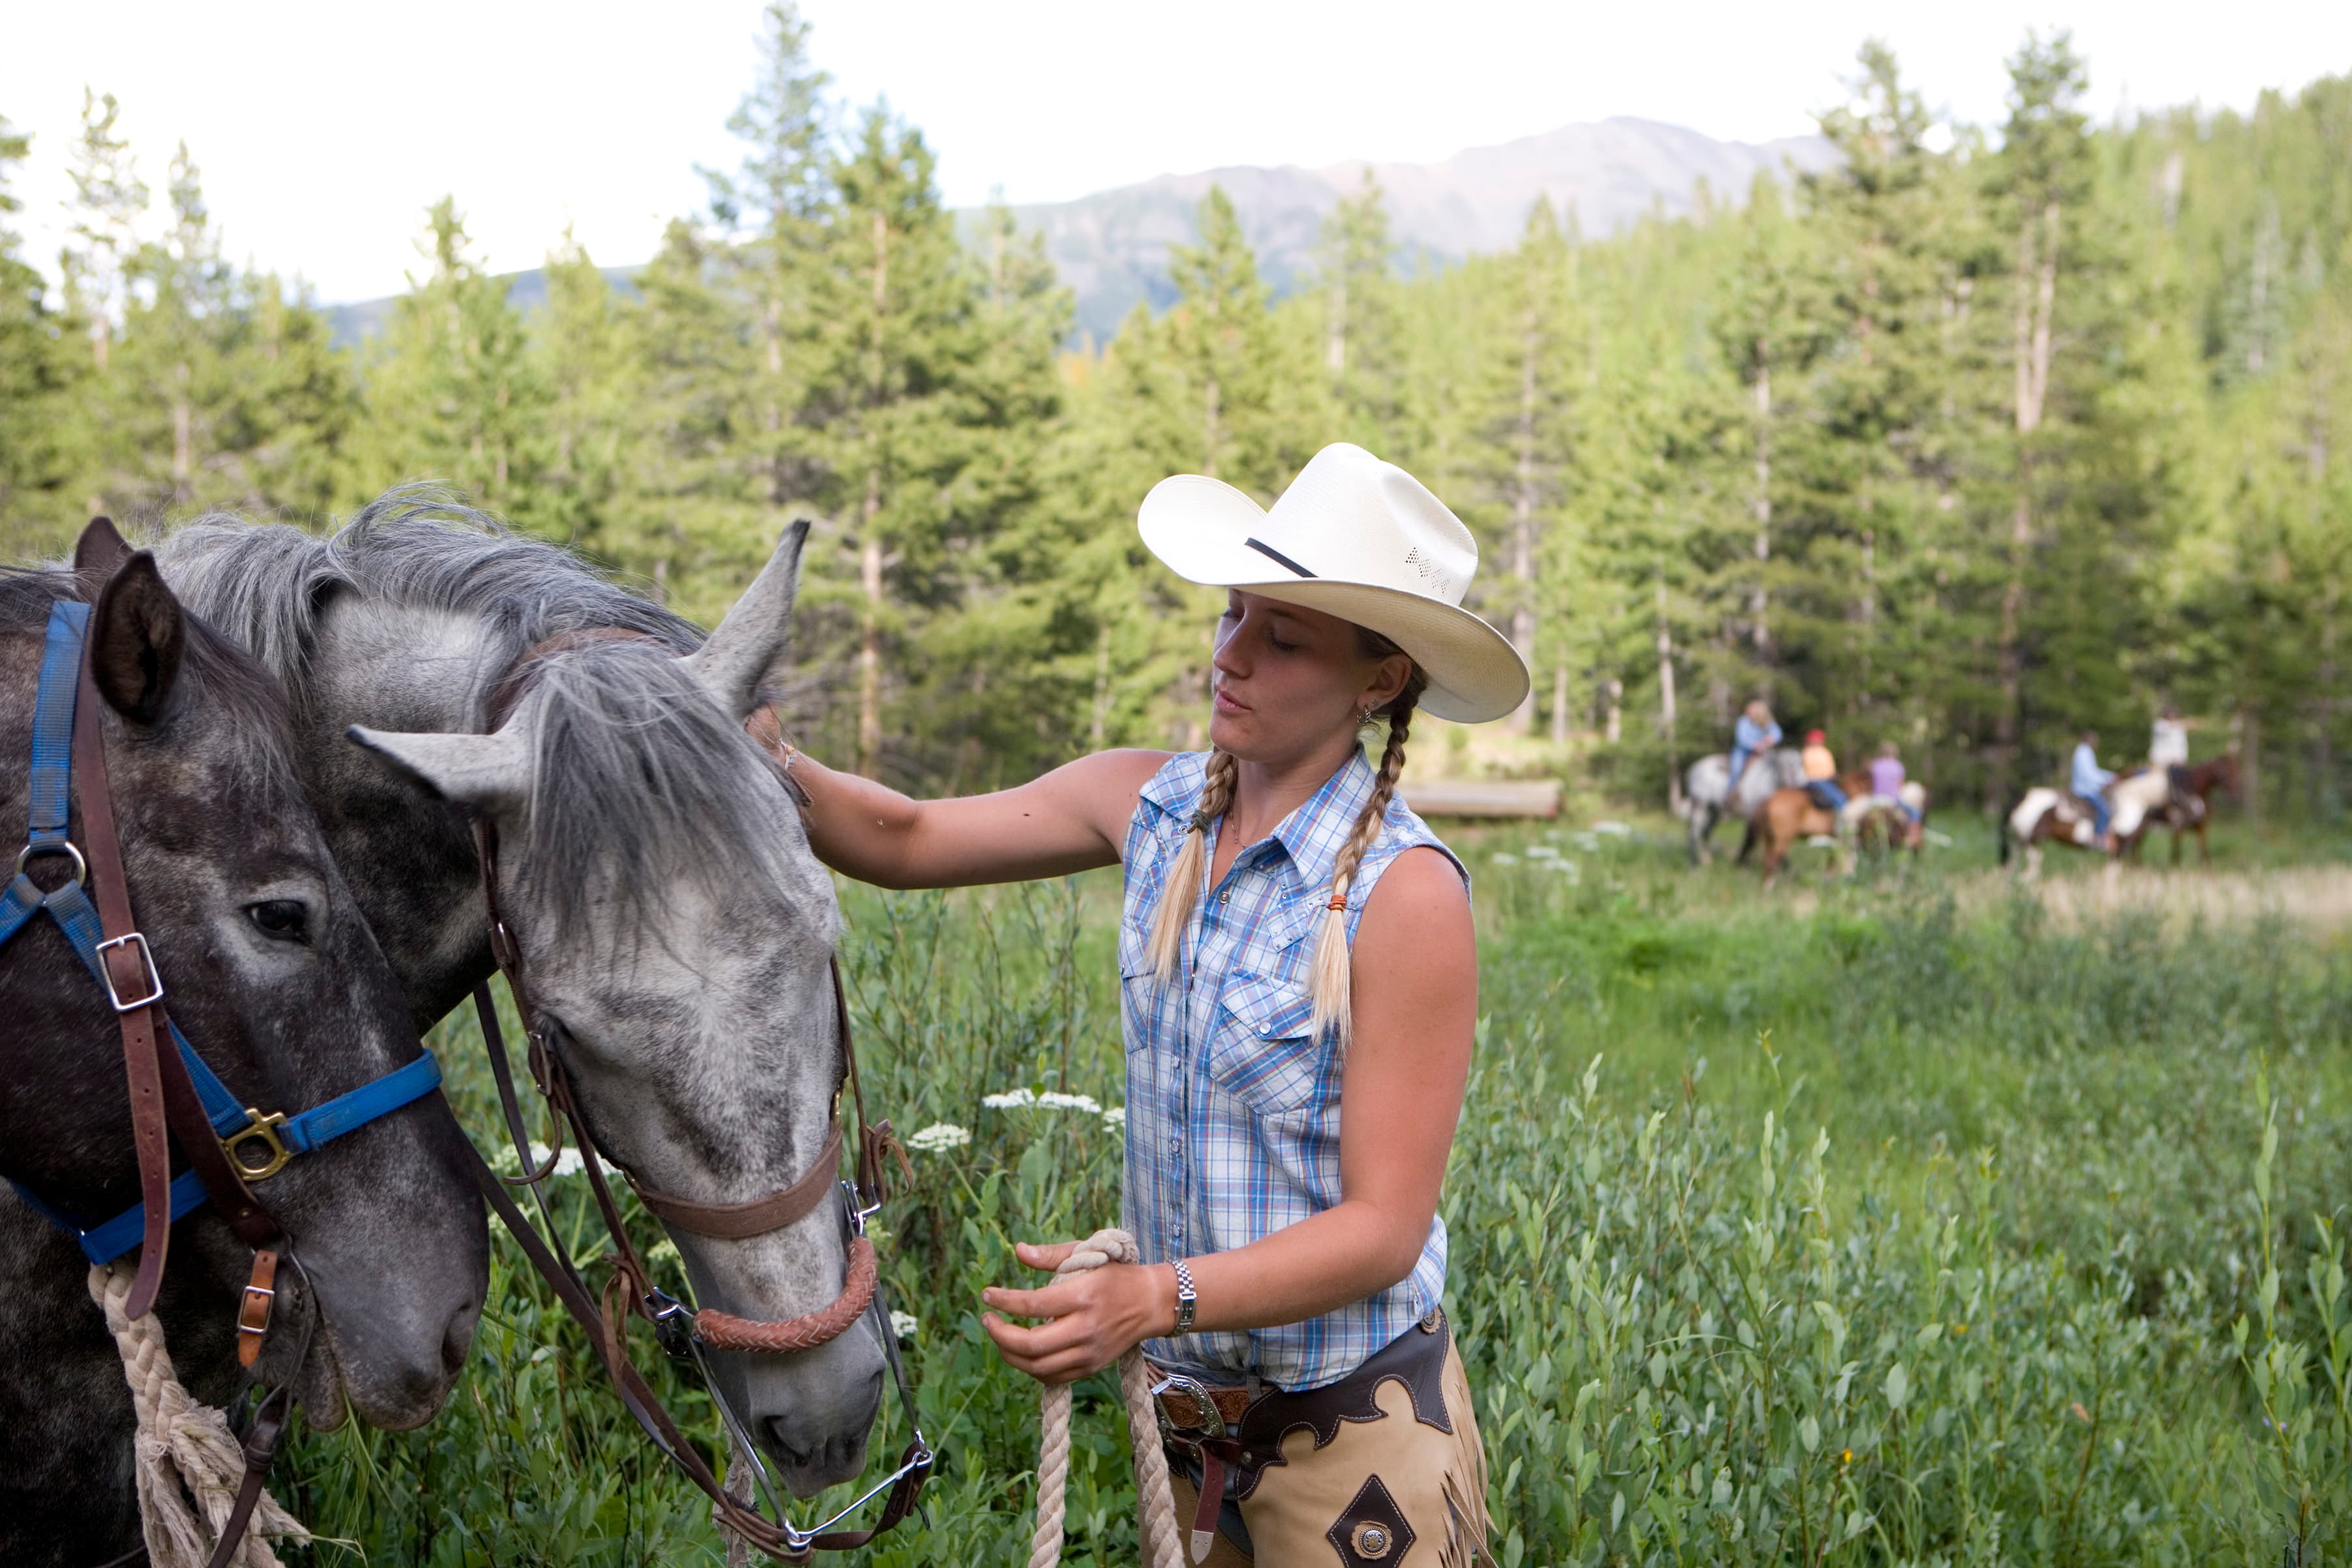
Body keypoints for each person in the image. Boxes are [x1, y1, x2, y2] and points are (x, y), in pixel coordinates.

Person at [780, 443, 1522, 1566]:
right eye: (1230, 616)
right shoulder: (1150, 806)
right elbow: (908, 836)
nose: (1230, 656)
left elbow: (1384, 1230)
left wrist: (1154, 1297)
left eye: (1281, 637)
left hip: (1358, 1447)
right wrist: (759, 754)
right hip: (1193, 1443)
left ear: (1379, 681)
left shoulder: (1401, 895)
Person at [2070, 728, 2117, 850]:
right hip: (2085, 789)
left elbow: (2094, 772)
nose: (2096, 742)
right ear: (2089, 739)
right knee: (2105, 810)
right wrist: (2106, 780)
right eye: (2095, 739)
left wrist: (2110, 776)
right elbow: (2089, 774)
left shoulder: (2085, 752)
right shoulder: (2083, 753)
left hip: (2088, 787)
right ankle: (2098, 837)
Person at [1729, 697, 1781, 795]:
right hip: (1743, 752)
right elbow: (1741, 739)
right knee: (1736, 769)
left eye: (1751, 710)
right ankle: (1730, 794)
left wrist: (1772, 739)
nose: (1748, 712)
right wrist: (1755, 745)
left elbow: (1777, 734)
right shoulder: (1743, 722)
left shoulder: (1767, 721)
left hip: (1764, 751)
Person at [1869, 740, 1919, 822]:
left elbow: (1872, 783)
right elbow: (1900, 785)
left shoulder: (1875, 765)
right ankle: (1914, 833)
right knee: (1915, 813)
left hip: (1876, 800)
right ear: (1894, 753)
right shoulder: (1898, 766)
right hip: (1893, 800)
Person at [1800, 729, 1847, 811]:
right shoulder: (1818, 752)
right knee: (1840, 798)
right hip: (1818, 781)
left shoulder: (1808, 752)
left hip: (1815, 780)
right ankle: (1841, 822)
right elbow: (1830, 771)